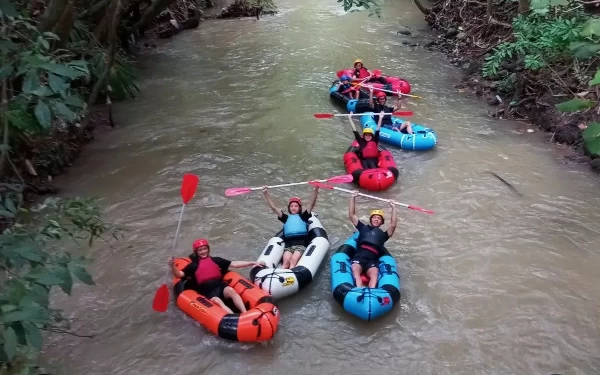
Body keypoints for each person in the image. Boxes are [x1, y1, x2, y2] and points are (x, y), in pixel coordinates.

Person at [169, 238, 265, 314]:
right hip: (207, 292)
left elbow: (234, 263)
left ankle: (245, 313)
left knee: (231, 290)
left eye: (205, 249)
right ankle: (233, 317)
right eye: (200, 250)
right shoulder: (193, 266)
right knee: (218, 301)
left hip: (220, 286)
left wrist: (252, 262)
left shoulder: (216, 260)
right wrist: (173, 266)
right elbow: (179, 274)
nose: (203, 251)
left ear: (208, 249)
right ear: (196, 252)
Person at [262, 185, 319, 269]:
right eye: (292, 206)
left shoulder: (304, 216)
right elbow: (274, 208)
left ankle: (291, 279)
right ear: (289, 208)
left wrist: (316, 190)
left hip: (300, 245)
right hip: (288, 246)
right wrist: (266, 194)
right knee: (285, 262)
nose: (293, 208)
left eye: (296, 206)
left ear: (299, 208)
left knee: (293, 261)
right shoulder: (285, 218)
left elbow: (311, 204)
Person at [348, 192, 397, 288]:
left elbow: (393, 224)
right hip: (359, 257)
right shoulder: (363, 228)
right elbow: (351, 215)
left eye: (379, 218)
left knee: (374, 274)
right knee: (355, 269)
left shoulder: (383, 235)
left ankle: (372, 293)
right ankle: (358, 289)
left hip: (372, 260)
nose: (376, 219)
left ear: (382, 222)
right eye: (374, 217)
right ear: (371, 220)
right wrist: (353, 197)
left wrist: (393, 207)